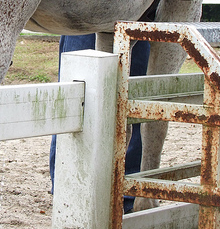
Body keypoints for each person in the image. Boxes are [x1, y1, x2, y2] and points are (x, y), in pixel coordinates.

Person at [52, 34, 150, 213]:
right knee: (78, 95)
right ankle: (71, 190)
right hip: (87, 24)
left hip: (139, 21)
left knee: (134, 98)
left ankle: (126, 192)